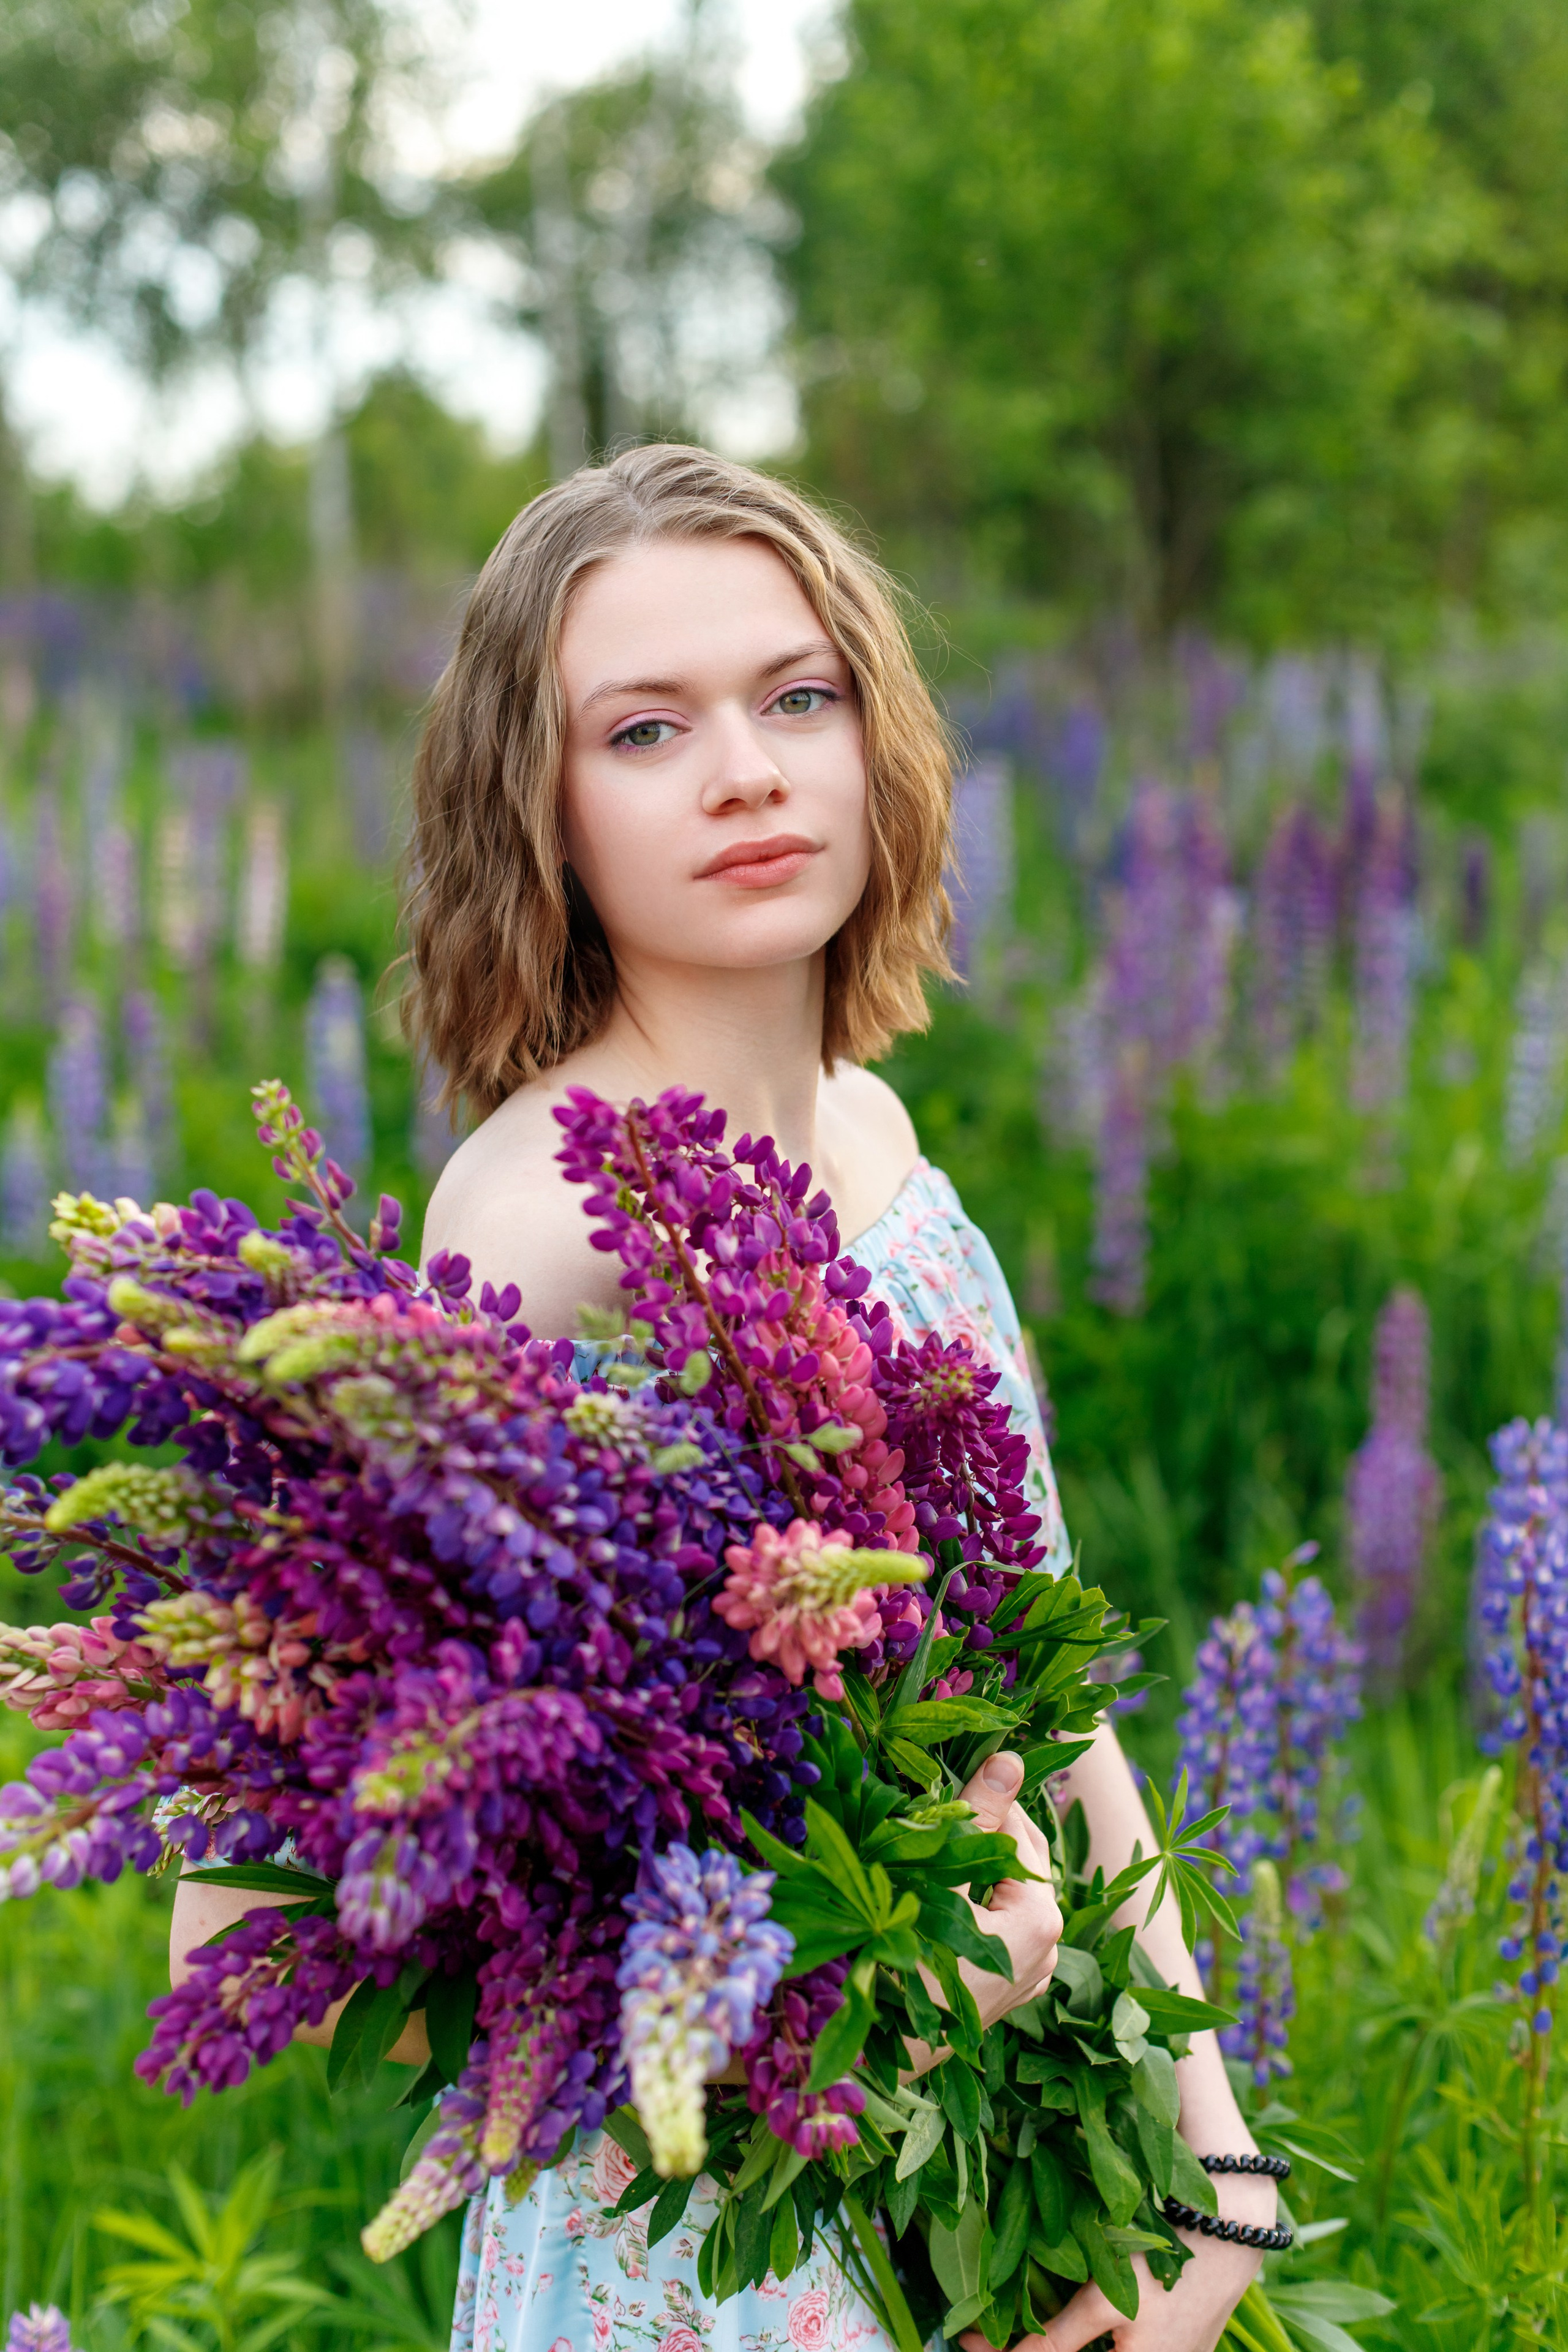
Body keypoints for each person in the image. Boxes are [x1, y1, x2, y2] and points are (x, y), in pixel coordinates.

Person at [171, 445, 1274, 2351]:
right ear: (544, 812)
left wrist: (1213, 2174)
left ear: (874, 735)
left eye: (795, 697)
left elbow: (1047, 1689)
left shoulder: (876, 1135)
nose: (748, 770)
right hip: (693, 2271)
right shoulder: (533, 1234)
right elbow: (258, 1925)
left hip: (998, 2212)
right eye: (646, 730)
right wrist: (895, 1987)